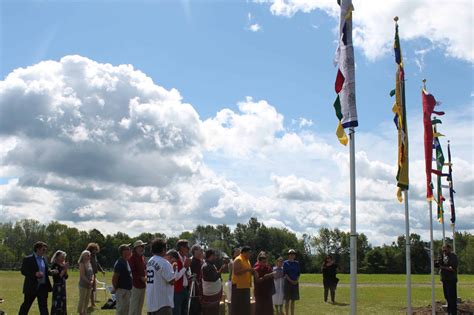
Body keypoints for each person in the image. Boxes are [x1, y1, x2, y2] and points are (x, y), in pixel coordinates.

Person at [19, 241, 53, 315]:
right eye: (43, 249)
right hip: (31, 287)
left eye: (45, 250)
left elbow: (46, 271)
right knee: (26, 306)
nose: (45, 251)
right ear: (37, 249)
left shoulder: (44, 259)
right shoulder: (28, 259)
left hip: (43, 287)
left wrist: (52, 272)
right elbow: (23, 271)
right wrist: (35, 274)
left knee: (43, 307)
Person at [146, 238, 176, 315]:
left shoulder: (150, 260)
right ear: (163, 249)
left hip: (151, 302)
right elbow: (172, 281)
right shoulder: (164, 263)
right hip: (162, 303)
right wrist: (174, 269)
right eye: (166, 248)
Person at [201, 249, 226, 315]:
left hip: (213, 295)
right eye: (214, 255)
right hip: (211, 296)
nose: (216, 257)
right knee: (211, 312)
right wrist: (221, 270)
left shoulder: (210, 264)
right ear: (211, 256)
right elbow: (213, 278)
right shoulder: (207, 266)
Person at [231, 246, 254, 315]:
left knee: (245, 307)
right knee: (238, 307)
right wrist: (247, 270)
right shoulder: (238, 259)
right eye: (249, 253)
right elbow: (236, 272)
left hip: (246, 286)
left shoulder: (247, 260)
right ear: (244, 252)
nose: (250, 254)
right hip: (238, 287)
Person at [112, 244, 133, 315]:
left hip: (127, 290)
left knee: (126, 310)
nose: (130, 250)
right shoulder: (120, 263)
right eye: (128, 249)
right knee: (121, 310)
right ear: (124, 252)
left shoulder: (125, 261)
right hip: (122, 290)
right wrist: (117, 289)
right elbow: (114, 278)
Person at [173, 239, 192, 315]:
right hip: (177, 291)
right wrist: (185, 267)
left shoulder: (185, 258)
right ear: (181, 247)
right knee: (177, 312)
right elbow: (175, 278)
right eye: (186, 246)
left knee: (185, 312)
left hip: (185, 290)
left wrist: (186, 268)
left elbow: (189, 273)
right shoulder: (175, 259)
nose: (188, 248)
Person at [129, 240, 147, 315]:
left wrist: (145, 275)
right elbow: (132, 272)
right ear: (136, 248)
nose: (142, 248)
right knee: (134, 307)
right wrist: (140, 278)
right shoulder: (132, 258)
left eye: (143, 246)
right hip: (135, 285)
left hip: (142, 285)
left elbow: (144, 269)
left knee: (140, 307)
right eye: (140, 246)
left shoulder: (142, 257)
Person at [439, 244, 458, 315]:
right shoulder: (443, 256)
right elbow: (439, 264)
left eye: (445, 250)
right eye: (443, 250)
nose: (444, 251)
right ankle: (449, 311)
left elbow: (452, 268)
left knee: (452, 297)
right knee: (446, 296)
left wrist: (442, 267)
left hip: (451, 279)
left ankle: (453, 312)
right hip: (445, 279)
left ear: (449, 249)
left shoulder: (453, 256)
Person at [86, 242, 105, 308]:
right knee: (89, 289)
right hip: (88, 275)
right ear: (91, 249)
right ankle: (89, 303)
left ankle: (92, 303)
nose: (95, 251)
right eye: (94, 249)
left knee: (92, 289)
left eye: (96, 249)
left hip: (93, 274)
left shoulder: (94, 256)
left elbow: (97, 264)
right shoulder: (88, 255)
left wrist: (101, 270)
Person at [50, 250, 69, 315]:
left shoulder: (63, 265)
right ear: (57, 257)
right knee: (57, 302)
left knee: (63, 301)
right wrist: (64, 269)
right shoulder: (55, 265)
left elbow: (66, 277)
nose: (63, 258)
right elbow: (58, 277)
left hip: (63, 286)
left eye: (64, 257)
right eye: (62, 257)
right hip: (57, 286)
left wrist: (65, 270)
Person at [283, 249, 300, 315]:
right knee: (287, 300)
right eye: (290, 254)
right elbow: (285, 274)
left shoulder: (297, 263)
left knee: (293, 300)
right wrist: (291, 281)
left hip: (295, 283)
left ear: (295, 255)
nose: (292, 255)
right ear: (288, 255)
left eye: (293, 254)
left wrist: (296, 280)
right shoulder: (285, 263)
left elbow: (298, 273)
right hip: (287, 283)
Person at [77, 250, 94, 315]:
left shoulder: (89, 263)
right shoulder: (81, 263)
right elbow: (82, 275)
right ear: (83, 256)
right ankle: (80, 312)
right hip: (83, 284)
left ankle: (85, 312)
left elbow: (92, 274)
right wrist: (89, 282)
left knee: (87, 299)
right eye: (87, 255)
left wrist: (92, 280)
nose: (88, 256)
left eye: (89, 255)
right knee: (82, 299)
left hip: (89, 284)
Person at [189, 244, 204, 315]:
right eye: (200, 250)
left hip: (200, 289)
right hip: (194, 290)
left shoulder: (201, 261)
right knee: (195, 309)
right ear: (195, 251)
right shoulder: (192, 261)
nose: (202, 251)